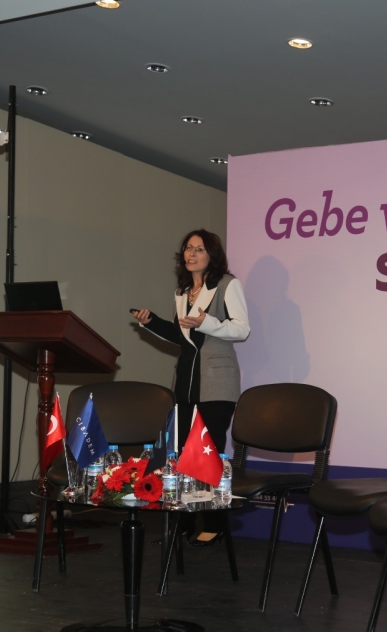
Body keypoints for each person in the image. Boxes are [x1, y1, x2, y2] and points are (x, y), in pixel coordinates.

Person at [133, 229, 250, 545]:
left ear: (212, 254)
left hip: (217, 381)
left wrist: (206, 323)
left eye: (199, 249)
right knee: (182, 454)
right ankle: (183, 521)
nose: (192, 253)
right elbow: (180, 336)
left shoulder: (227, 284)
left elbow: (242, 329)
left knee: (208, 454)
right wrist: (150, 322)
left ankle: (215, 522)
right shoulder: (183, 291)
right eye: (188, 248)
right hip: (185, 380)